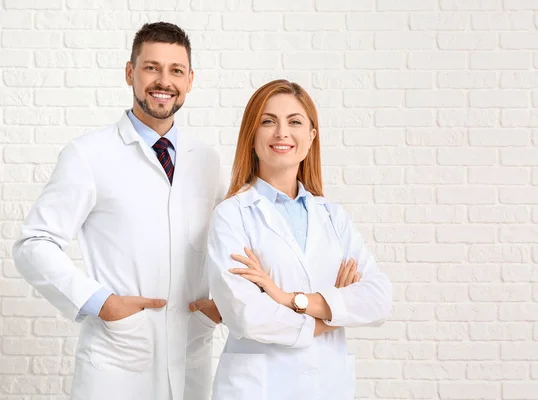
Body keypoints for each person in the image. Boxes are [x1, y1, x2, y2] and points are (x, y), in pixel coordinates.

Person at [12, 22, 222, 400]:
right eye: (151, 67)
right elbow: (33, 243)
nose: (164, 81)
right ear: (130, 72)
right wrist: (103, 304)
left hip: (191, 357)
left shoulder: (207, 161)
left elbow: (227, 244)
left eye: (176, 70)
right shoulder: (89, 155)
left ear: (190, 80)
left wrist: (222, 303)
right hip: (118, 359)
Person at [206, 79, 392, 399]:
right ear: (251, 136)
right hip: (259, 390)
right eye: (268, 121)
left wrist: (288, 299)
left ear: (310, 137)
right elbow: (246, 315)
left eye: (294, 122)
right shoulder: (231, 215)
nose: (282, 133)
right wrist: (330, 316)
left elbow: (378, 299)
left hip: (327, 385)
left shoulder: (333, 218)